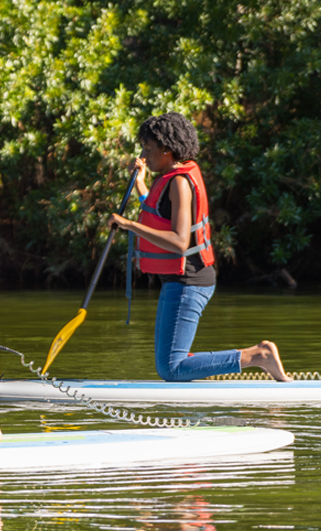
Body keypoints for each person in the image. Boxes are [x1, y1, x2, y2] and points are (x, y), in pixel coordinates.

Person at [109, 112, 290, 382]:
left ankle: (258, 356)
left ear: (167, 149)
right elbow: (158, 214)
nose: (144, 155)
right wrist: (141, 184)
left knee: (171, 368)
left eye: (149, 148)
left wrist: (128, 225)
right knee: (168, 362)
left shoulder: (180, 183)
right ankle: (252, 357)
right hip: (179, 281)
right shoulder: (169, 177)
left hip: (189, 281)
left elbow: (180, 242)